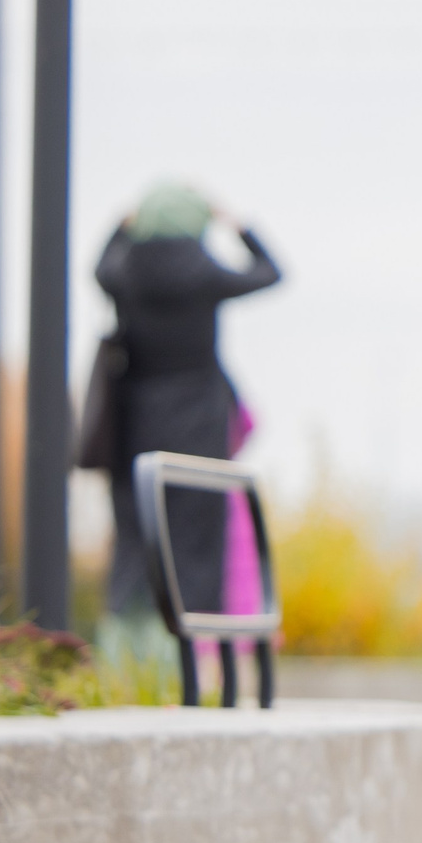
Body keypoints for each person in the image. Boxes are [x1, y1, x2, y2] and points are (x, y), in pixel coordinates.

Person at [93, 182, 282, 621]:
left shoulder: (126, 273)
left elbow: (98, 268)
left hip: (134, 420)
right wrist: (239, 226)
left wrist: (121, 227)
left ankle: (126, 649)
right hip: (199, 421)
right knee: (197, 540)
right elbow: (270, 272)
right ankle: (195, 652)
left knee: (134, 536)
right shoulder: (205, 273)